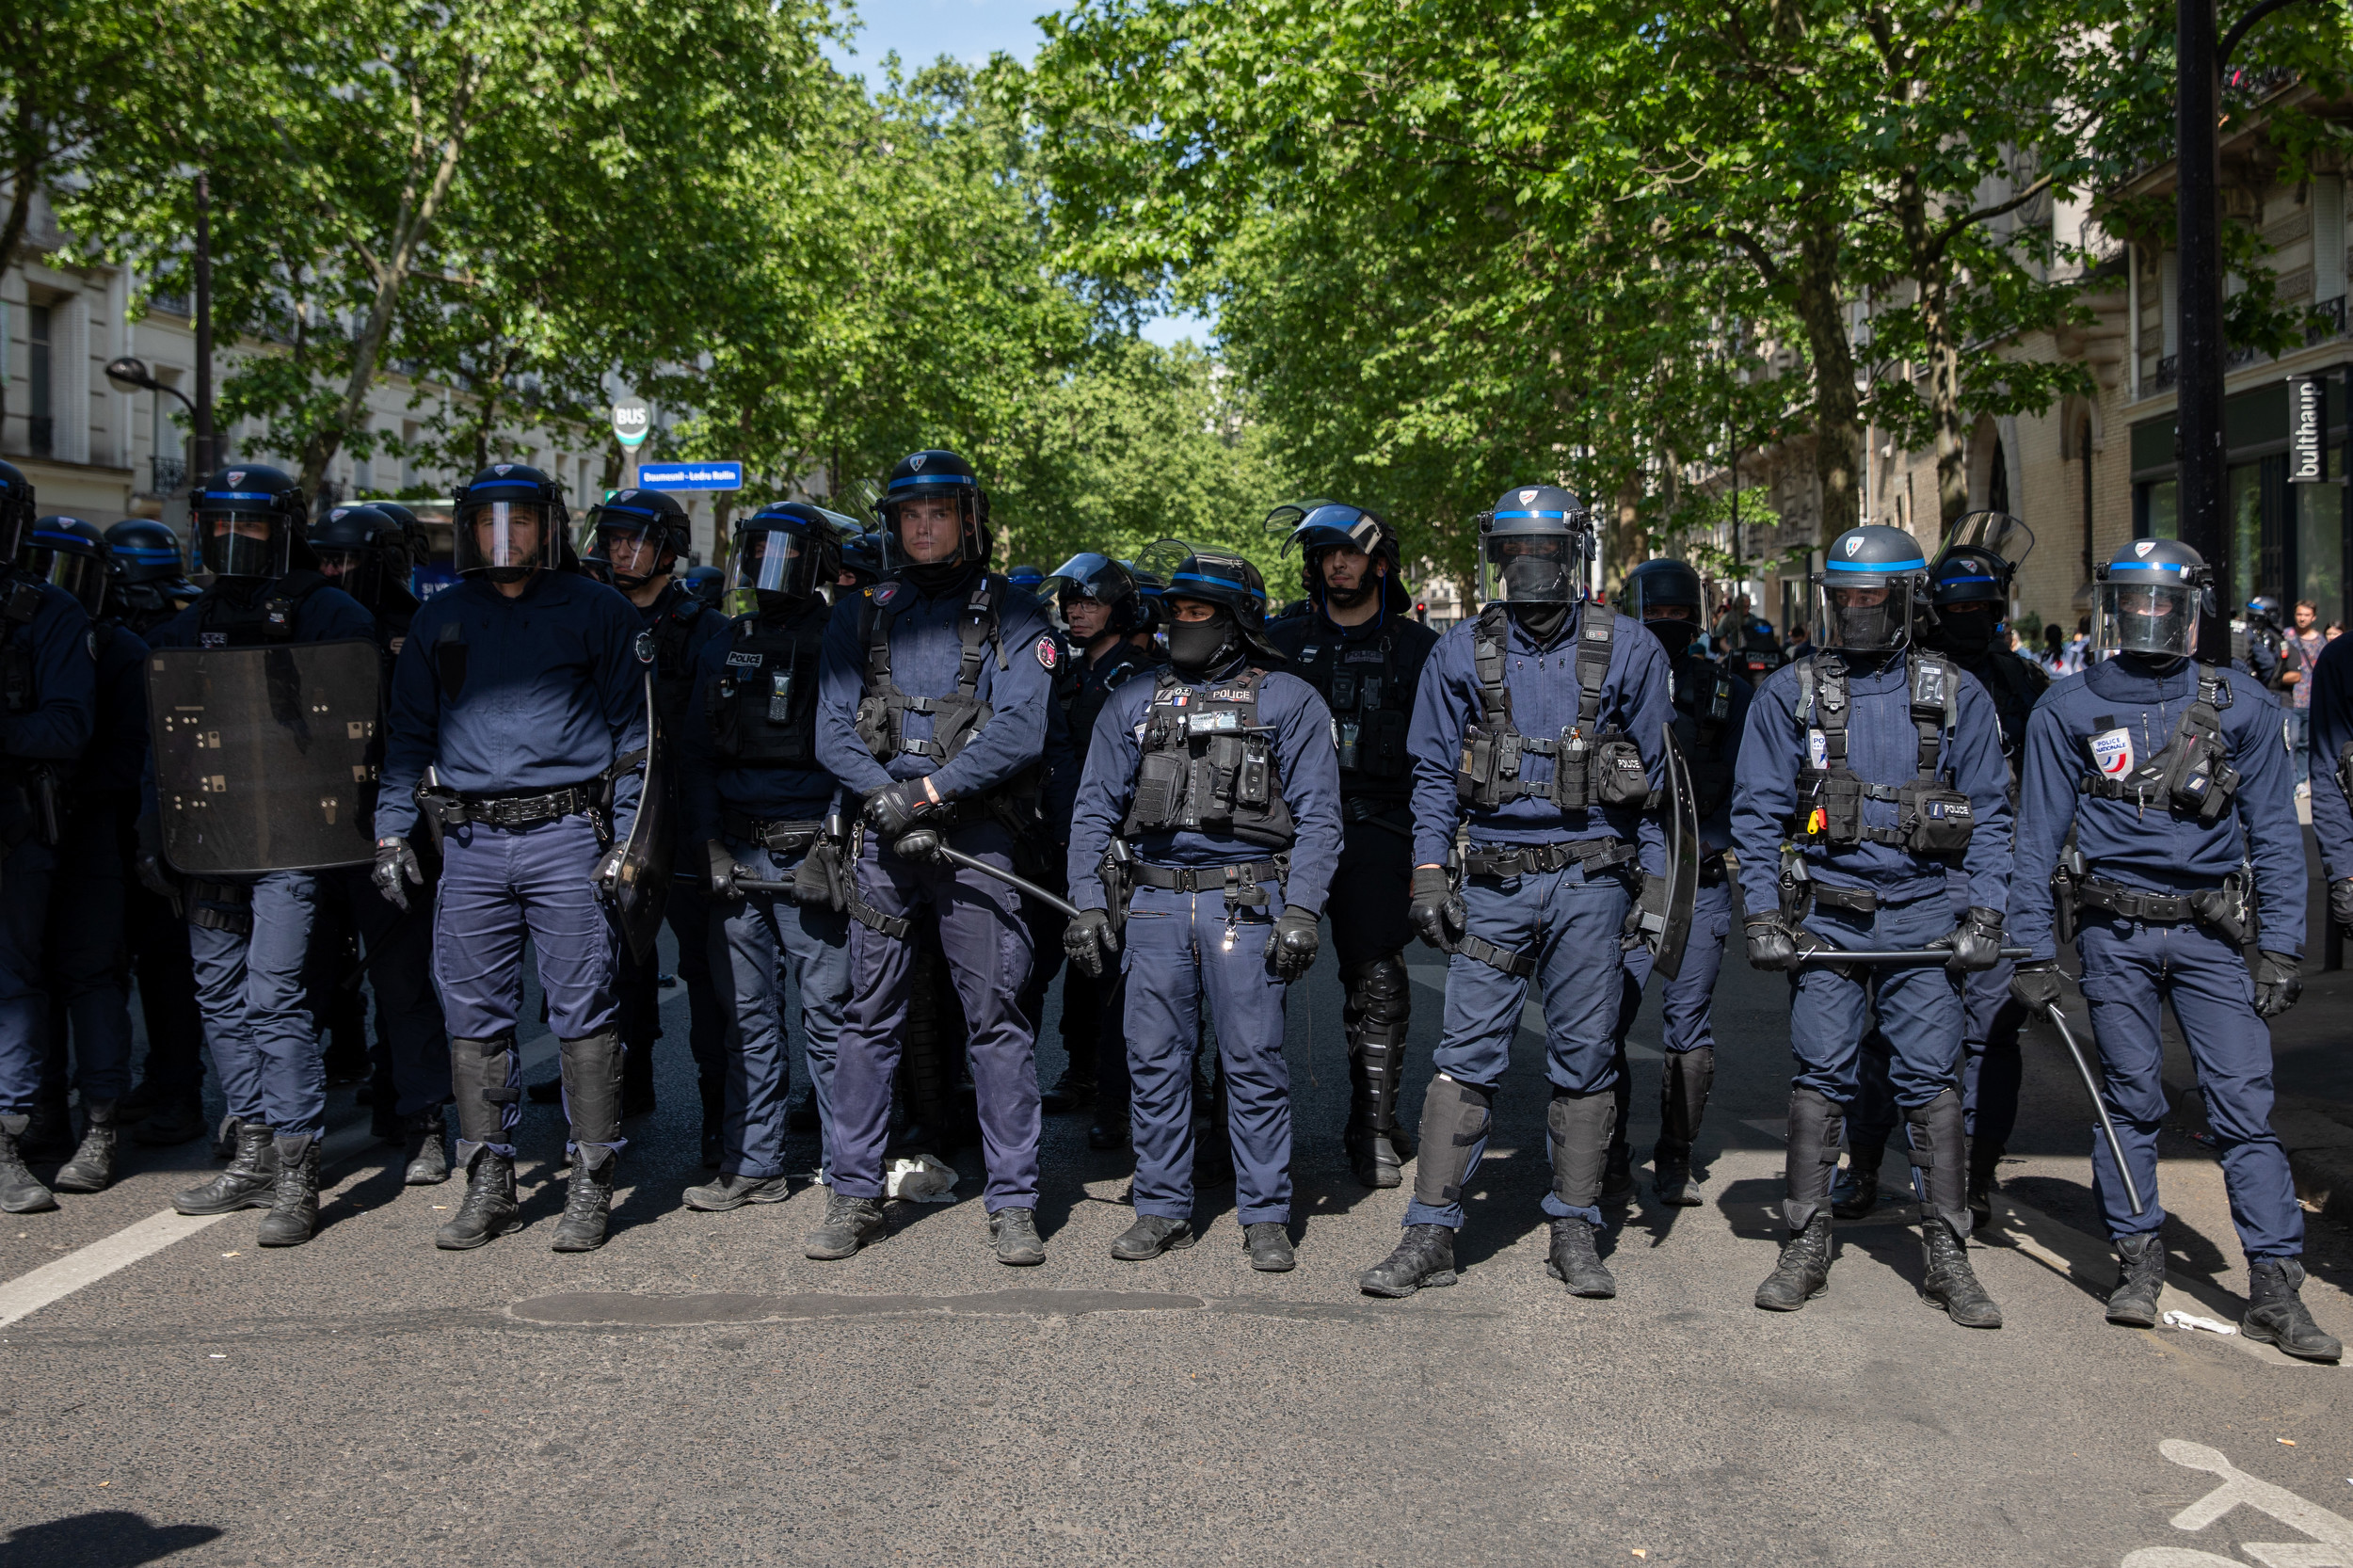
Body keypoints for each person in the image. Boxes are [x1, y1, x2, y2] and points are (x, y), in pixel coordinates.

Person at [2012, 538, 2334, 1361]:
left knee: (2243, 1107)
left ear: (2192, 613)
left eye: (2166, 604)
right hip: (2112, 934)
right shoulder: (2066, 708)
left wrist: (2282, 948)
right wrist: (2030, 950)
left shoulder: (2243, 705)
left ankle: (2274, 1286)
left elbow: (2274, 835)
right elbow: (2036, 837)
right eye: (2136, 603)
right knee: (2130, 1101)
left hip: (2211, 935)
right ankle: (2139, 1262)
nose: (2150, 617)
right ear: (2112, 611)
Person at [1357, 483, 1673, 1301]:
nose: (1530, 565)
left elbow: (1662, 794)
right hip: (1494, 882)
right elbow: (1432, 776)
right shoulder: (1459, 651)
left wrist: (1656, 900)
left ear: (1575, 554)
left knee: (1586, 1057)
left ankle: (1575, 1229)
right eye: (1514, 551)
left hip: (1593, 885)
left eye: (1545, 550)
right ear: (1495, 557)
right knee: (1464, 1057)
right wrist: (1430, 874)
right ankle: (1429, 1232)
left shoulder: (1632, 649)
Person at [1732, 524, 2012, 1328]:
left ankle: (1948, 1250)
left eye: (1872, 596)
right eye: (1844, 596)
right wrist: (1762, 916)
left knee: (1930, 1081)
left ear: (1909, 599)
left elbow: (1994, 817)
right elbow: (1756, 812)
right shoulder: (1791, 692)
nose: (1855, 610)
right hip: (1829, 916)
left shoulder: (1956, 693)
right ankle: (1805, 1240)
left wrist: (1986, 913)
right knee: (1820, 1077)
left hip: (1923, 916)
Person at [375, 463, 651, 1253]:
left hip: (567, 836)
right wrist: (391, 832)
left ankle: (591, 1179)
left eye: (521, 520)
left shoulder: (597, 610)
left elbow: (636, 742)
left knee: (583, 1012)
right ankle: (489, 1180)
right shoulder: (440, 617)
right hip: (469, 844)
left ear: (549, 528)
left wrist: (627, 843)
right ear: (469, 530)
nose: (505, 535)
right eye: (489, 521)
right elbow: (407, 738)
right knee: (473, 1018)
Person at [808, 449, 1056, 1265]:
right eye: (909, 515)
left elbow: (1022, 731)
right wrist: (887, 800)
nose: (922, 527)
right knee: (868, 1017)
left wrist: (924, 796)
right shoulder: (863, 612)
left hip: (975, 838)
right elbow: (831, 728)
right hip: (885, 845)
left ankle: (1013, 1203)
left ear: (968, 521)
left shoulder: (1017, 612)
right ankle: (853, 1195)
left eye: (938, 513)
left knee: (996, 1019)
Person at [1064, 548, 1341, 1268]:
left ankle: (1265, 1213)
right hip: (1154, 902)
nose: (1184, 624)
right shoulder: (1133, 699)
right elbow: (1092, 811)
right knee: (1154, 1061)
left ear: (1238, 620)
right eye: (1178, 612)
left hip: (1246, 900)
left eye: (1201, 613)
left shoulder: (1289, 700)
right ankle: (1161, 1207)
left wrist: (1302, 909)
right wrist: (1087, 904)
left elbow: (1320, 818)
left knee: (1253, 1062)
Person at [137, 466, 377, 1244]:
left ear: (285, 531)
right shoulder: (192, 621)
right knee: (218, 993)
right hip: (211, 839)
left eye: (253, 525)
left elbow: (360, 725)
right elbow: (162, 741)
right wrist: (152, 830)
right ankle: (254, 1150)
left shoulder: (329, 613)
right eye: (221, 523)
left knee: (273, 995)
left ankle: (298, 1168)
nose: (234, 538)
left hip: (290, 841)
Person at [1837, 537, 2049, 1227]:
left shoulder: (2024, 683)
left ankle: (1975, 1176)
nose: (1971, 620)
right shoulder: (1897, 677)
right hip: (1916, 876)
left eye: (1983, 608)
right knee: (1886, 1036)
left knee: (1991, 1036)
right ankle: (1865, 1163)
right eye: (1957, 609)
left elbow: (2045, 790)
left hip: (1994, 875)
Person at [541, 488, 730, 1159]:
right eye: (613, 537)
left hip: (683, 812)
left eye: (636, 539)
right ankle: (625, 1085)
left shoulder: (705, 628)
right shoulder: (589, 615)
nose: (620, 550)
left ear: (669, 549)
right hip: (610, 809)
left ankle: (721, 1115)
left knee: (708, 969)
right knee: (615, 960)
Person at [678, 502, 856, 1209]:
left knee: (830, 1017)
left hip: (810, 851)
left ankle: (849, 1173)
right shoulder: (725, 642)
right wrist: (710, 845)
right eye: (756, 553)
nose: (767, 568)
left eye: (784, 554)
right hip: (738, 855)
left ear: (818, 564)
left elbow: (860, 755)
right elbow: (695, 757)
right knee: (746, 1021)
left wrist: (832, 842)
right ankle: (755, 1167)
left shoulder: (843, 640)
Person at [1265, 504, 1439, 1188]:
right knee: (1250, 976)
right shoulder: (1276, 642)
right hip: (1284, 833)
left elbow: (1441, 759)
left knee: (1378, 979)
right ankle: (1230, 1132)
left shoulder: (1420, 648)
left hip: (1377, 830)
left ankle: (1372, 1129)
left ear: (1380, 563)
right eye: (1326, 554)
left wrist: (1435, 855)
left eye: (1352, 552)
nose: (1338, 564)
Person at [303, 504, 452, 1185]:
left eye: (348, 560)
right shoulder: (302, 620)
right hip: (311, 828)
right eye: (326, 560)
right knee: (302, 984)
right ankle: (278, 1125)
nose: (335, 572)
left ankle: (420, 1119)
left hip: (389, 828)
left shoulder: (420, 626)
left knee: (402, 981)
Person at [1606, 558, 1752, 1207]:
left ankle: (1675, 1156)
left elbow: (1751, 788)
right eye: (1655, 612)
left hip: (1699, 878)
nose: (1665, 623)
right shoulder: (1603, 684)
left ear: (1696, 619)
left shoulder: (1726, 693)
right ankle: (1607, 1153)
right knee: (1603, 1020)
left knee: (1688, 1031)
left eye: (1676, 613)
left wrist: (1710, 841)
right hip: (1622, 878)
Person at [23, 520, 137, 1194]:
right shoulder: (25, 633)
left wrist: (66, 785)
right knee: (27, 980)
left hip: (91, 830)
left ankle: (100, 1124)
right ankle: (42, 1113)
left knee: (91, 978)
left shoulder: (119, 650)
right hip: (29, 830)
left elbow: (128, 757)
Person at [1034, 552, 1160, 1147]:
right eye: (1071, 602)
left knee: (1116, 977)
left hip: (1117, 845)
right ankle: (1082, 1072)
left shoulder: (1142, 676)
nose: (1077, 612)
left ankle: (1116, 1102)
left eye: (1090, 602)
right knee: (1061, 965)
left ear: (1120, 610)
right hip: (1056, 838)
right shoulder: (1065, 669)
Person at [100, 519, 207, 1148]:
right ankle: (164, 1084)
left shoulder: (158, 637)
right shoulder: (163, 629)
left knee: (164, 968)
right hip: (144, 814)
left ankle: (177, 1091)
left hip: (155, 816)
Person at [2283, 600, 2324, 791]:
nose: (2302, 618)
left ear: (2313, 617)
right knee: (2290, 741)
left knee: (2305, 743)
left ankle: (2300, 781)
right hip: (2289, 698)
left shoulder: (2320, 641)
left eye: (2306, 615)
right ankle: (2289, 781)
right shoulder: (2286, 636)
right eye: (2299, 614)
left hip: (2311, 700)